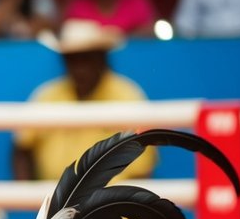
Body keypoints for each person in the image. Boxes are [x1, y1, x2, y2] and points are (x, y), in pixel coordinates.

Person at [13, 19, 156, 182]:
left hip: (112, 203)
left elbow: (143, 168)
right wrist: (31, 200)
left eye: (86, 58)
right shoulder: (47, 96)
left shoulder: (128, 97)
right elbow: (22, 149)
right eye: (72, 59)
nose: (79, 68)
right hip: (55, 203)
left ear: (101, 58)